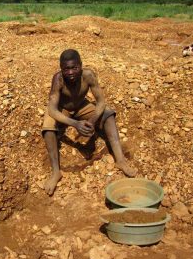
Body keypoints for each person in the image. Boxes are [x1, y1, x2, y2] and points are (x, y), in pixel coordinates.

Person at [42, 49, 137, 196]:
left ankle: (120, 160)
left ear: (81, 65)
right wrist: (74, 123)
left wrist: (92, 121)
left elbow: (101, 102)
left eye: (75, 67)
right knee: (48, 128)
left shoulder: (89, 75)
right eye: (66, 69)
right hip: (63, 109)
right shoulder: (58, 79)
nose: (71, 72)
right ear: (61, 68)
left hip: (82, 105)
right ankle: (56, 172)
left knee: (109, 115)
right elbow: (52, 110)